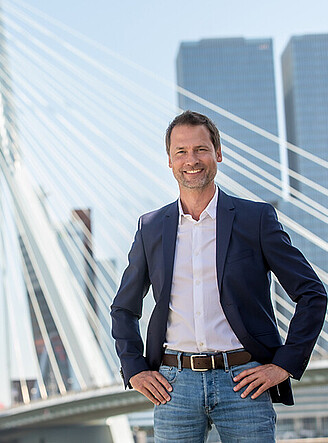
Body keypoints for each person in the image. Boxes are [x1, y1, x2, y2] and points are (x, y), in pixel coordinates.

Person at [111, 111, 327, 442]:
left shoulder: (256, 219)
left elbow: (312, 293)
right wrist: (134, 368)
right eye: (181, 152)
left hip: (244, 382)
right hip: (173, 387)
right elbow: (123, 308)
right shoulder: (150, 228)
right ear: (169, 161)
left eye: (201, 149)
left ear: (218, 154)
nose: (191, 160)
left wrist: (285, 363)